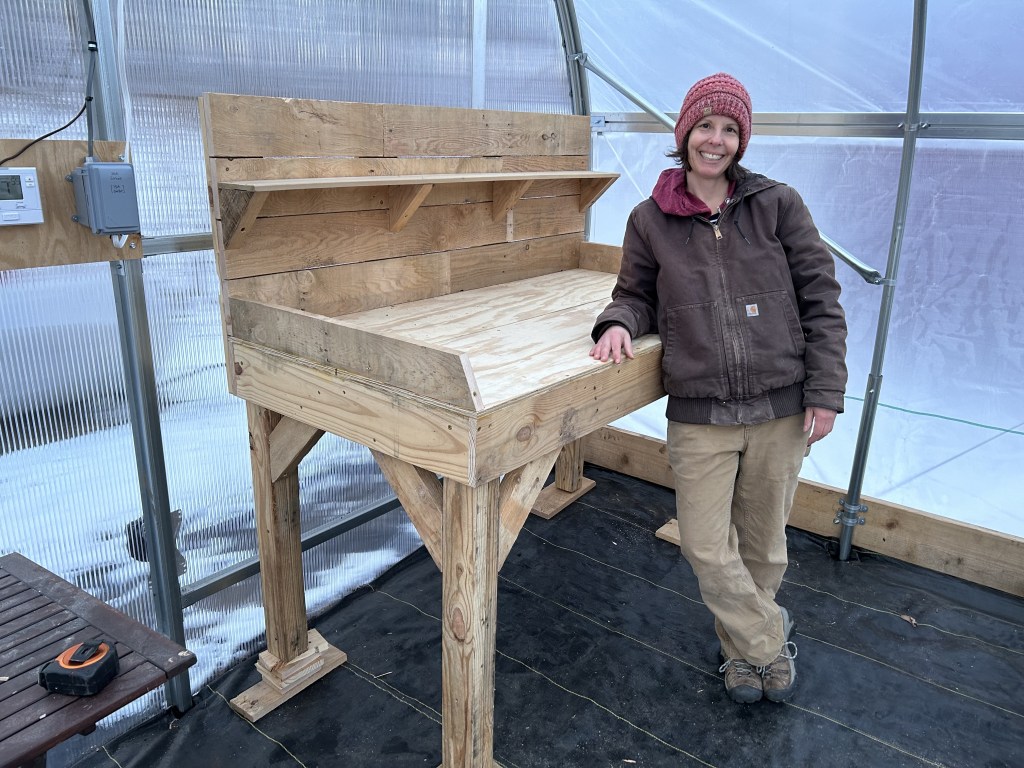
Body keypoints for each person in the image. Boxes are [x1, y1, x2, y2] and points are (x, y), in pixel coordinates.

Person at [590, 73, 847, 704]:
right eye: (706, 125)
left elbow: (821, 298)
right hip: (700, 412)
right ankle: (768, 638)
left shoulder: (777, 205)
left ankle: (741, 657)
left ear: (741, 141)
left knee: (763, 547)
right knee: (706, 545)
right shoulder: (649, 219)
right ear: (685, 132)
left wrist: (825, 390)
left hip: (780, 405)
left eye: (730, 129)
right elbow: (634, 294)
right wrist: (618, 323)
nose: (716, 139)